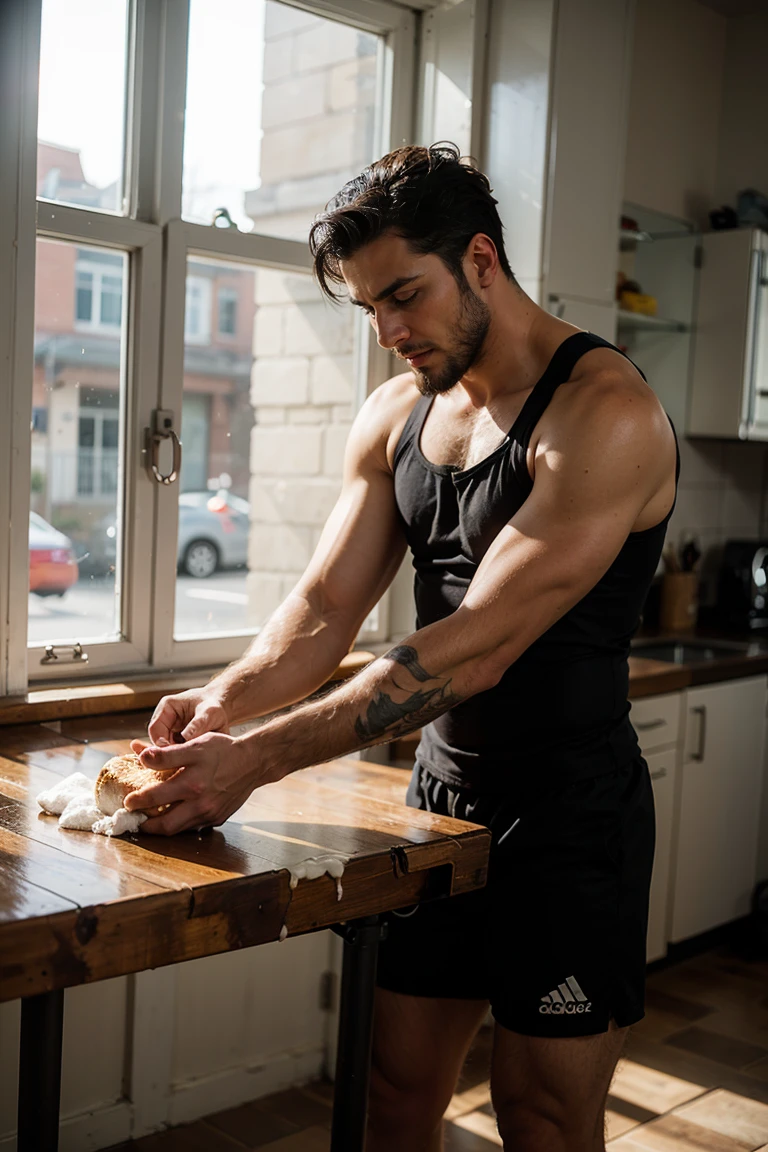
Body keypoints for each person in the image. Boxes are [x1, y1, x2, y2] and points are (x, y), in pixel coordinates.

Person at [124, 143, 679, 1151]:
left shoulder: (606, 414)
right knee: (392, 1089)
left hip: (570, 813)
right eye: (370, 309)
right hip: (441, 795)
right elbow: (324, 607)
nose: (389, 333)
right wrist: (223, 705)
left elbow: (473, 651)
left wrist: (254, 760)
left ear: (480, 261)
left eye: (405, 297)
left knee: (542, 1113)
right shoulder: (396, 416)